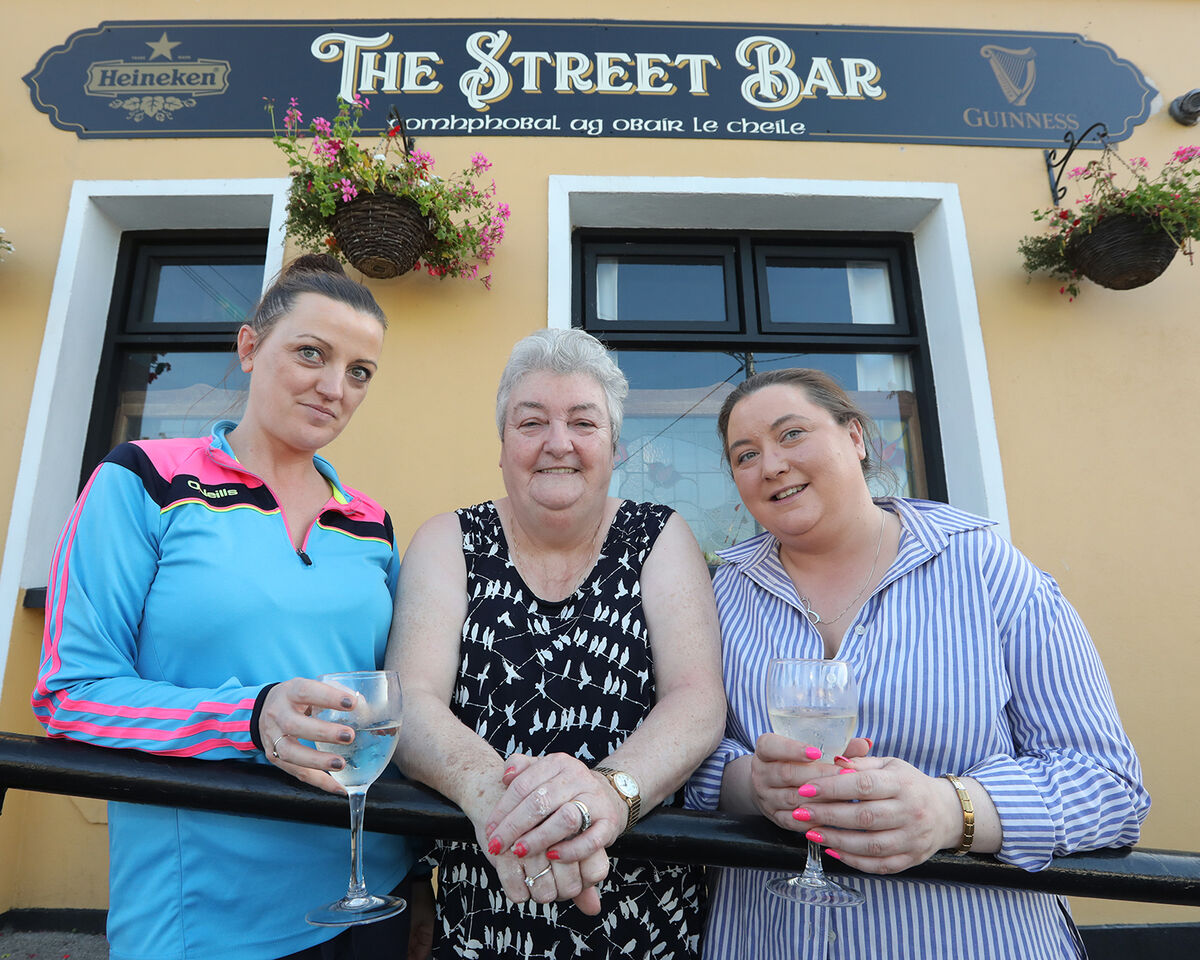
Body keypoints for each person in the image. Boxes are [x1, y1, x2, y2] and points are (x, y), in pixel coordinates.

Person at [32, 255, 431, 960]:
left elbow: (392, 699)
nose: (334, 388)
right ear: (249, 347)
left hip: (372, 900)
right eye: (311, 353)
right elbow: (70, 695)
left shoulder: (370, 523)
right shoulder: (143, 479)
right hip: (206, 920)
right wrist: (249, 718)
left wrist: (423, 867)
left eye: (360, 371)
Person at [686, 368, 1150, 959]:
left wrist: (952, 811)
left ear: (856, 436)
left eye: (792, 434)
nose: (771, 465)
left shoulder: (984, 568)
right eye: (745, 454)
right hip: (764, 939)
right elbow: (682, 756)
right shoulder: (720, 593)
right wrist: (748, 785)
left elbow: (1108, 784)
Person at [387, 327, 725, 958]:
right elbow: (413, 701)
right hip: (488, 901)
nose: (558, 442)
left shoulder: (658, 536)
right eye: (532, 422)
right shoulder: (447, 540)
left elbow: (697, 698)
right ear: (502, 445)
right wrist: (498, 797)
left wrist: (610, 794)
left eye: (583, 423)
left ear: (615, 446)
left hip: (642, 910)